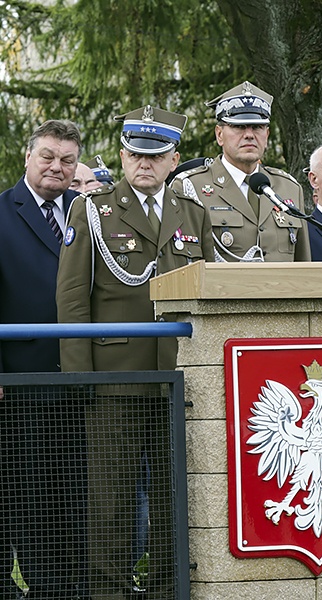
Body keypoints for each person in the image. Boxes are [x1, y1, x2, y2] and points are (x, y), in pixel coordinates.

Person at [56, 105, 214, 600]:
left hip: (182, 379)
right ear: (123, 157)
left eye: (155, 155)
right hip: (114, 377)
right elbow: (73, 297)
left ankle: (170, 588)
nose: (142, 164)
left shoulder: (193, 214)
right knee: (112, 499)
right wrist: (81, 377)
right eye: (133, 154)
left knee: (176, 495)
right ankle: (110, 592)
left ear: (174, 160)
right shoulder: (94, 210)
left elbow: (208, 296)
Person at [0, 119, 86, 599]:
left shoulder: (86, 210)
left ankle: (68, 588)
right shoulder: (0, 212)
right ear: (27, 157)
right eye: (48, 156)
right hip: (19, 382)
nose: (57, 167)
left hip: (81, 381)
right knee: (27, 496)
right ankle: (36, 587)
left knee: (77, 496)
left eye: (67, 160)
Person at [170, 81, 311, 262]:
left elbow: (303, 265)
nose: (249, 135)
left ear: (267, 135)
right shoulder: (190, 187)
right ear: (219, 135)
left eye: (257, 127)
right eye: (239, 127)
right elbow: (184, 267)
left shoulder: (289, 188)